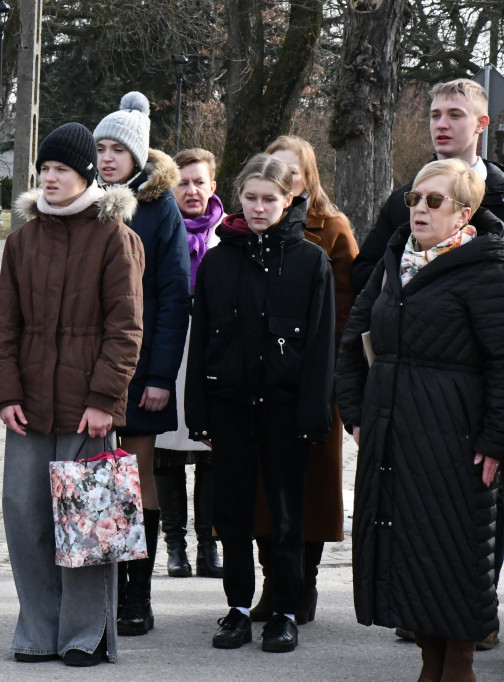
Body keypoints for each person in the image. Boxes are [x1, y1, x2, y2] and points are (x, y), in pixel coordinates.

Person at [337, 158, 502, 681]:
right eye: (413, 200)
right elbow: (353, 341)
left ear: (464, 214)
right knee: (411, 555)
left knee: (457, 558)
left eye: (434, 201)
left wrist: (497, 439)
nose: (420, 210)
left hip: (456, 440)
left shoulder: (487, 269)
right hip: (394, 436)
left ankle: (458, 667)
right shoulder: (394, 260)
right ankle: (430, 665)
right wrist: (356, 413)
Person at [0, 122, 145, 666]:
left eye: (61, 170)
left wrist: (105, 399)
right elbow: (3, 327)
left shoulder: (116, 237)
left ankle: (86, 634)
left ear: (84, 177)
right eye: (44, 169)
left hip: (87, 410)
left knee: (87, 520)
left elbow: (126, 328)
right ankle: (37, 628)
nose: (50, 178)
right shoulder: (22, 239)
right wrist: (5, 394)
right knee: (24, 515)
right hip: (29, 407)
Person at [186, 153, 334, 653]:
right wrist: (198, 410)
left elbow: (320, 346)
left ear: (288, 200)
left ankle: (285, 611)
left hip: (285, 410)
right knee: (230, 511)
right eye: (249, 197)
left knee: (286, 513)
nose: (258, 207)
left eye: (269, 199)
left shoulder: (311, 261)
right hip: (228, 405)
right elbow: (201, 336)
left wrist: (315, 414)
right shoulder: (218, 260)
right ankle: (238, 608)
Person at [247, 135, 357, 624]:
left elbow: (349, 309)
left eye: (292, 172)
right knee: (262, 492)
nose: (283, 178)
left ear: (307, 178)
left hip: (315, 381)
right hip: (260, 385)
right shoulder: (251, 229)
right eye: (275, 168)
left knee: (309, 491)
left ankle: (303, 584)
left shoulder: (330, 229)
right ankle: (272, 581)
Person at [94, 92, 190, 637]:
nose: (107, 158)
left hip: (143, 369)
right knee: (97, 478)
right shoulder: (87, 200)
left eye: (117, 150)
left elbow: (175, 294)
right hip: (93, 369)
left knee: (136, 477)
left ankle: (139, 594)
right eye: (101, 148)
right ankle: (101, 588)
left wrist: (159, 376)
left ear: (138, 156)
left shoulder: (159, 208)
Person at [352, 78, 504, 293]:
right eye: (435, 115)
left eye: (455, 115)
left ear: (481, 123)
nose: (442, 124)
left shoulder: (500, 194)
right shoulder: (403, 199)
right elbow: (364, 270)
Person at [154, 147, 224, 580]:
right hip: (168, 348)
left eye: (200, 181)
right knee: (165, 450)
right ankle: (175, 545)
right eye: (183, 181)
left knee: (210, 451)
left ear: (213, 186)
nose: (192, 190)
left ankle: (208, 544)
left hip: (211, 352)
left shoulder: (227, 235)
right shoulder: (161, 230)